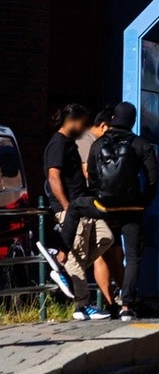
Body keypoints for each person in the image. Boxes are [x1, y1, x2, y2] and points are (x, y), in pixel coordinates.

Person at [40, 104, 117, 316]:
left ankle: (64, 267)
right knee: (78, 252)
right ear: (71, 121)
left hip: (84, 205)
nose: (84, 129)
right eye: (82, 123)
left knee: (105, 238)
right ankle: (82, 305)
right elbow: (54, 178)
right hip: (72, 207)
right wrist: (67, 209)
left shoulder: (70, 143)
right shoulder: (57, 144)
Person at [86, 102, 159, 322]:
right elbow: (153, 179)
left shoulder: (97, 145)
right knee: (133, 257)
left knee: (105, 254)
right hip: (132, 208)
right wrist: (143, 201)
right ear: (133, 120)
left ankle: (108, 304)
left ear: (114, 118)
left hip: (106, 208)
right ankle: (127, 304)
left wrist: (101, 199)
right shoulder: (140, 144)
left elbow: (92, 177)